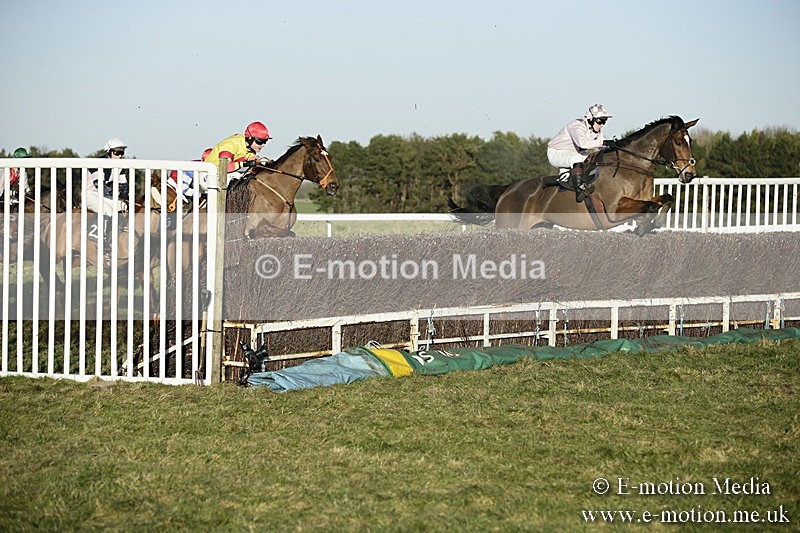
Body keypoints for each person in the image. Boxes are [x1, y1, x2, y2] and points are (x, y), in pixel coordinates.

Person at [547, 104, 612, 202]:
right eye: (600, 121)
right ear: (591, 119)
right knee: (576, 158)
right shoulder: (576, 126)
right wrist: (603, 143)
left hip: (571, 153)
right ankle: (579, 190)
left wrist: (613, 145)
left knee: (592, 158)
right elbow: (582, 144)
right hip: (556, 153)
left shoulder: (594, 128)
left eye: (604, 121)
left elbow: (601, 144)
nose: (602, 124)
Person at [85, 138, 131, 265]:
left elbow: (124, 186)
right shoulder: (98, 162)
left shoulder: (120, 165)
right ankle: (105, 247)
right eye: (117, 153)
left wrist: (127, 197)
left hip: (105, 196)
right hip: (91, 194)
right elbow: (100, 186)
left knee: (125, 206)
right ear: (108, 152)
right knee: (109, 211)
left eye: (122, 153)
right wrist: (116, 194)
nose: (120, 156)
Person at [204, 121, 273, 185]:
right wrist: (246, 164)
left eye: (265, 141)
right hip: (208, 175)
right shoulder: (231, 144)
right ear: (249, 138)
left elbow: (250, 158)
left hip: (221, 174)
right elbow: (224, 167)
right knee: (237, 177)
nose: (263, 145)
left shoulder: (249, 148)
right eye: (260, 141)